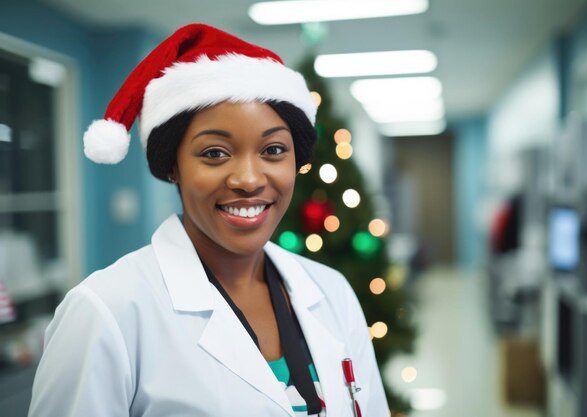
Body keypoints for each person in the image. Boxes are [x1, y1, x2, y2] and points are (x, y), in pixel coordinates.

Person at [28, 23, 388, 417]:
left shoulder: (331, 292)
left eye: (273, 149)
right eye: (215, 153)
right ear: (172, 167)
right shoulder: (106, 312)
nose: (249, 180)